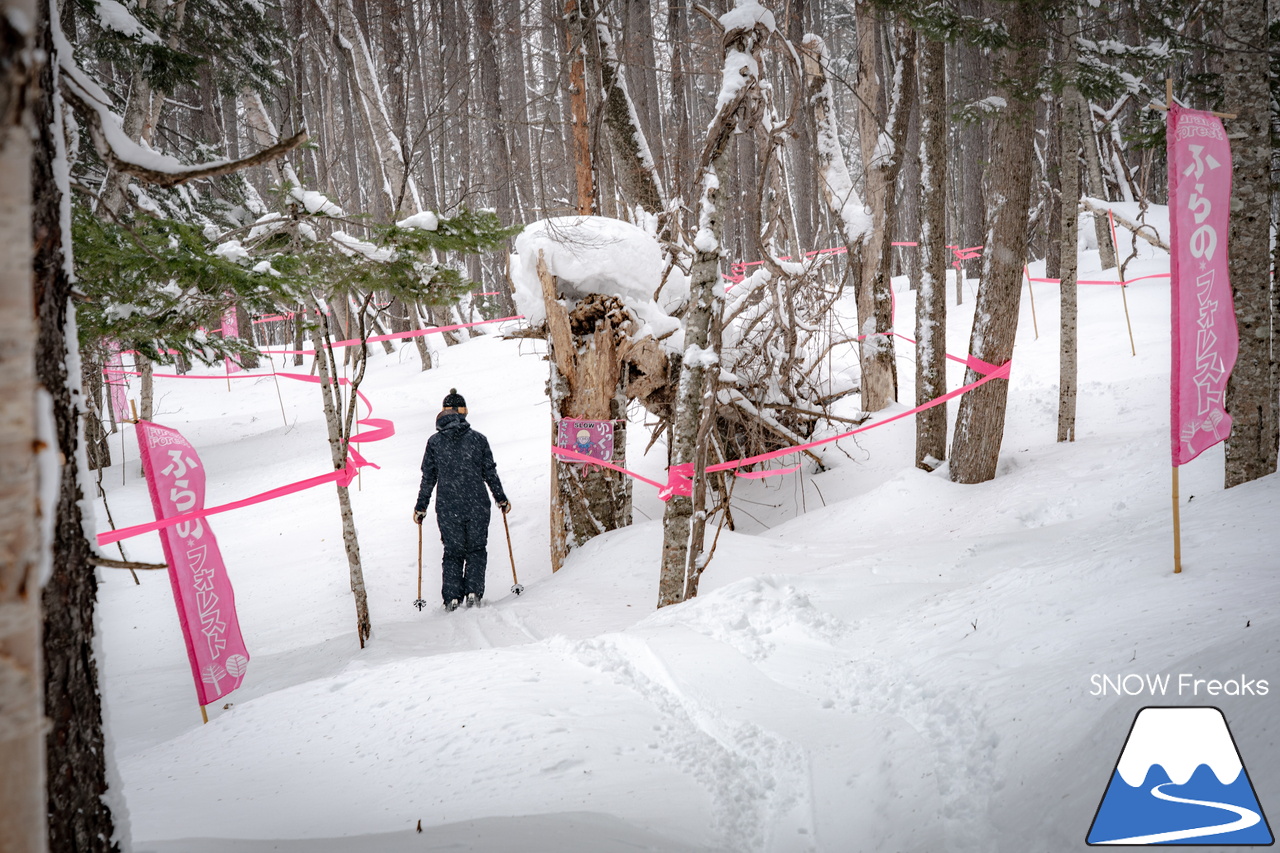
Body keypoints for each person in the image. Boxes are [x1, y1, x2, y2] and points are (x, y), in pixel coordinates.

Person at [413, 388, 510, 611]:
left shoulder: (435, 442)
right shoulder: (478, 440)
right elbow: (490, 472)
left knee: (453, 551)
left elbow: (428, 478)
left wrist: (421, 506)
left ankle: (452, 598)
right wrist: (501, 498)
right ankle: (473, 591)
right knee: (476, 548)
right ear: (463, 413)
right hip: (477, 503)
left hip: (448, 506)